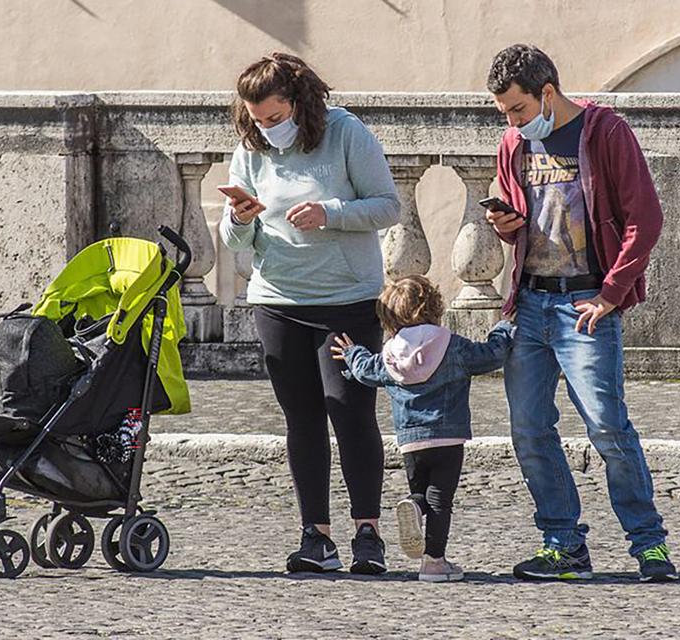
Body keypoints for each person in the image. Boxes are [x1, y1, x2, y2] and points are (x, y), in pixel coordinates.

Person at [484, 44, 678, 582]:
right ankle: (563, 544)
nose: (513, 121)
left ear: (547, 93)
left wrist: (613, 293)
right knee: (528, 428)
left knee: (608, 427)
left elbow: (646, 219)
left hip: (586, 305)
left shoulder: (605, 132)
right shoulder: (512, 143)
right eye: (504, 112)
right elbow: (524, 218)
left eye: (518, 109)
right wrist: (507, 227)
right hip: (528, 302)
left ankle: (649, 546)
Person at [218, 52, 401, 574]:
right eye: (256, 120)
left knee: (350, 412)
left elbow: (389, 206)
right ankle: (315, 536)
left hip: (346, 300)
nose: (265, 128)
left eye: (274, 118)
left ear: (298, 102)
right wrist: (240, 217)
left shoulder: (346, 133)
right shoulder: (251, 149)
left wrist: (332, 214)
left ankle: (368, 533)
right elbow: (236, 241)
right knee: (302, 419)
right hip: (277, 301)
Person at [330, 275, 515, 582]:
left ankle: (413, 505)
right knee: (441, 501)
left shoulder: (390, 353)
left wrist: (352, 353)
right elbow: (491, 355)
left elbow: (365, 371)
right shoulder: (450, 344)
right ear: (436, 307)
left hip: (410, 442)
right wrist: (504, 327)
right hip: (448, 437)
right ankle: (434, 562)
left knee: (424, 495)